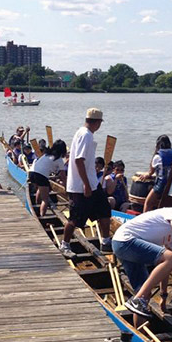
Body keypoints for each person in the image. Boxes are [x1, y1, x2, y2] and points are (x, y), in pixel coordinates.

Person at [59, 108, 112, 257]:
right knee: (76, 218)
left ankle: (106, 241)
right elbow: (78, 160)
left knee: (104, 210)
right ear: (97, 122)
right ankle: (65, 245)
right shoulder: (85, 135)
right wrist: (86, 184)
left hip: (93, 184)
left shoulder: (85, 134)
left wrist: (91, 183)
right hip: (81, 187)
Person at [140, 135, 172, 213]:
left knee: (148, 203)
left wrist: (146, 175)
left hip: (163, 185)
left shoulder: (158, 156)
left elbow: (151, 172)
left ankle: (144, 221)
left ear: (157, 145)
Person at [29, 139, 67, 216]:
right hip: (40, 176)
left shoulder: (46, 154)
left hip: (31, 173)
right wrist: (66, 187)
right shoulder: (59, 160)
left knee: (40, 188)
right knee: (45, 200)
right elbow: (63, 176)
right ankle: (42, 215)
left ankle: (37, 205)